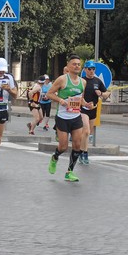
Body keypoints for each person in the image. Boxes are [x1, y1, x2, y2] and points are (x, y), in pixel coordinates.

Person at [46, 54, 87, 182]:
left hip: (76, 117)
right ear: (68, 66)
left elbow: (81, 99)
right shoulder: (62, 80)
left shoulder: (83, 82)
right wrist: (61, 100)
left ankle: (69, 172)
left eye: (78, 64)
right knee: (63, 146)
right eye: (74, 64)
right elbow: (49, 94)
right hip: (62, 117)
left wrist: (87, 104)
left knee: (77, 145)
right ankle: (55, 157)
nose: (76, 66)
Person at [80, 60, 111, 165]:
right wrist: (84, 103)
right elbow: (78, 95)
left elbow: (107, 93)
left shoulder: (97, 81)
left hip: (93, 110)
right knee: (86, 131)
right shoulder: (81, 81)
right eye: (89, 69)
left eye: (93, 69)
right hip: (83, 109)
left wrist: (101, 93)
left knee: (88, 134)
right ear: (85, 70)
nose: (91, 71)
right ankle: (84, 153)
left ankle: (82, 151)